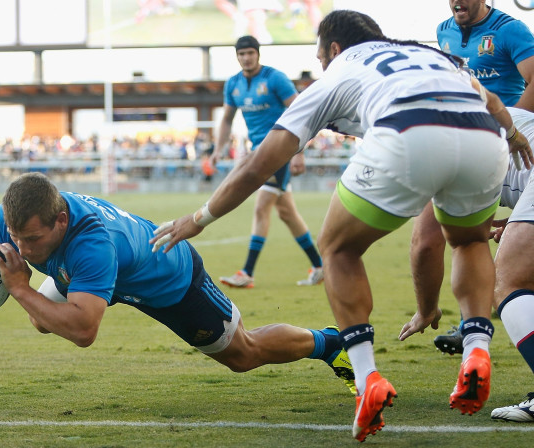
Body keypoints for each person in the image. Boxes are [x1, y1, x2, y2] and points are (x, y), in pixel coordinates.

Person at [150, 10, 534, 441]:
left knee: (338, 249)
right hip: (486, 137)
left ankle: (368, 375)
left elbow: (259, 164)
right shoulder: (429, 55)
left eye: (319, 56)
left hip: (408, 132)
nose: (320, 64)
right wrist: (514, 135)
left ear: (334, 48)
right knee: (468, 242)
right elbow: (490, 98)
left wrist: (201, 217)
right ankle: (478, 348)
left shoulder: (339, 71)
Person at [0, 172, 356, 394]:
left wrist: (22, 289)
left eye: (32, 240)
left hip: (169, 278)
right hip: (98, 276)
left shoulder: (93, 245)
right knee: (42, 319)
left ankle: (329, 343)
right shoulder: (11, 220)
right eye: (15, 237)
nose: (22, 249)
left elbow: (85, 332)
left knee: (242, 355)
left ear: (60, 220)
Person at [413, 0, 534, 355]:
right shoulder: (443, 32)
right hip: (486, 154)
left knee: (508, 274)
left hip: (510, 146)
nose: (456, 1)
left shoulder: (511, 30)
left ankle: (474, 327)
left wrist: (510, 126)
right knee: (467, 240)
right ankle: (474, 326)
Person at [212, 35, 324, 289]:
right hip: (257, 153)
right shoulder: (233, 84)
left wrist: (298, 152)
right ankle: (319, 267)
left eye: (250, 53)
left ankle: (247, 272)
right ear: (237, 56)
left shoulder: (275, 78)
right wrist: (219, 148)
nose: (246, 58)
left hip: (279, 152)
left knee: (261, 207)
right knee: (287, 213)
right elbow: (227, 119)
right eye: (241, 54)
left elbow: (300, 112)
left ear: (258, 54)